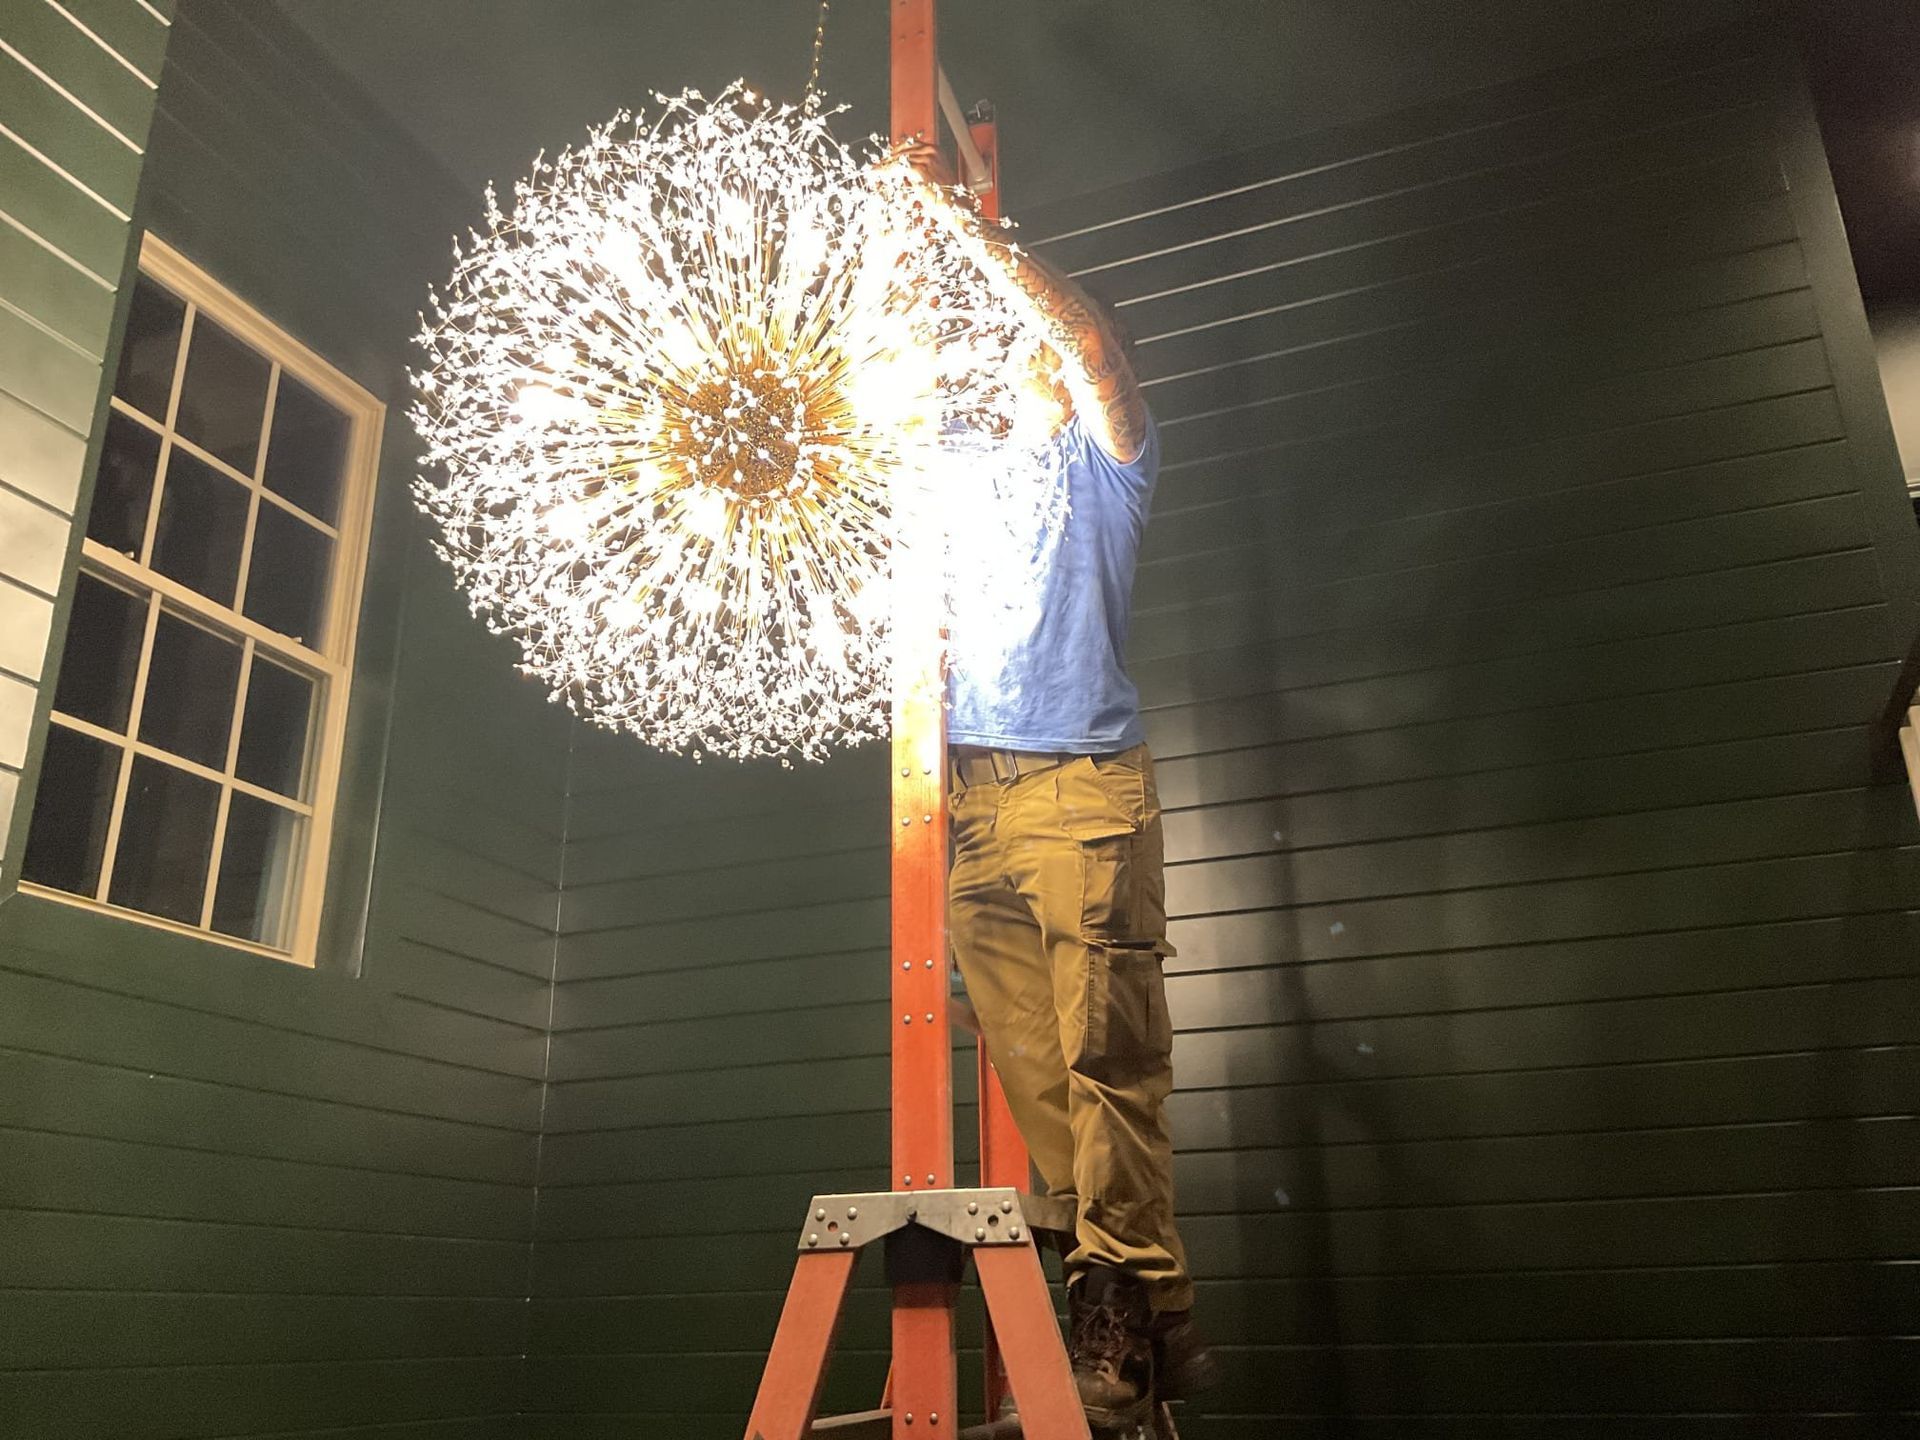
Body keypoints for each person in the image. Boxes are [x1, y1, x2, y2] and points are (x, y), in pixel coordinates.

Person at [903, 156, 1220, 1434]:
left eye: (1028, 344)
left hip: (1082, 793)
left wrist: (958, 229)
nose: (1014, 355)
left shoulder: (1109, 464)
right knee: (1039, 1073)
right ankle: (1161, 1307)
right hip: (969, 808)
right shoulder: (954, 470)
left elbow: (1085, 335)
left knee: (1109, 1057)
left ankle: (1117, 1299)